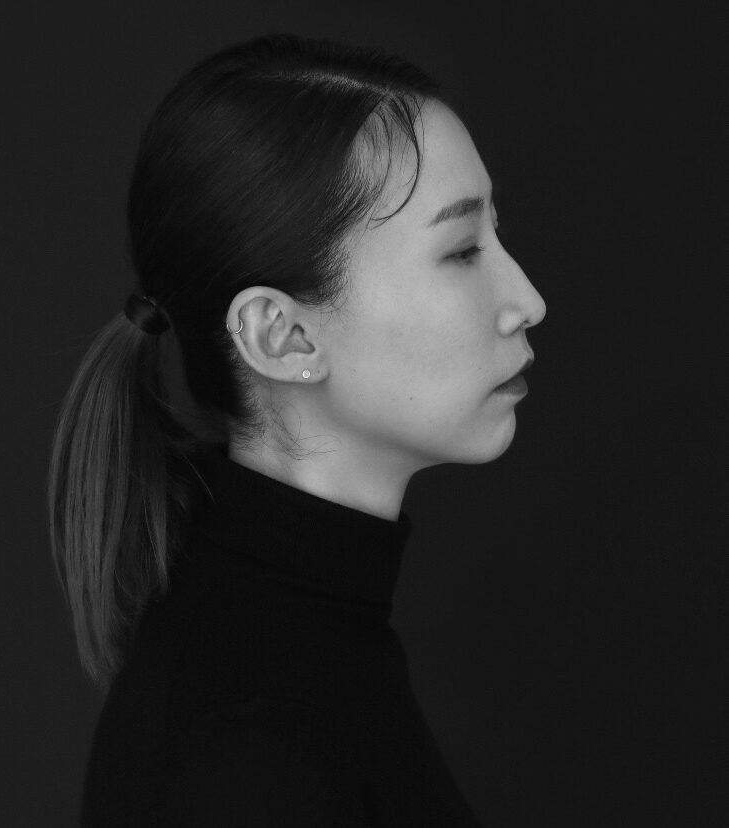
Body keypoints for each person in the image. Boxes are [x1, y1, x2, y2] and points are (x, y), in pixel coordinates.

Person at [47, 32, 546, 827]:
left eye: (497, 234)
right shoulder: (250, 740)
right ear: (282, 336)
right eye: (461, 251)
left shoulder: (301, 644)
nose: (526, 300)